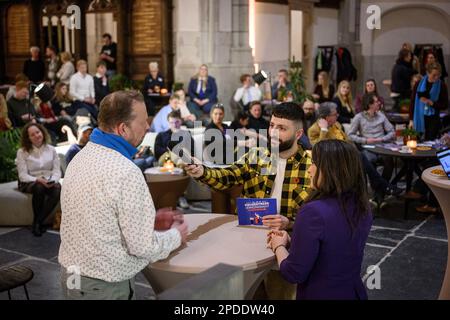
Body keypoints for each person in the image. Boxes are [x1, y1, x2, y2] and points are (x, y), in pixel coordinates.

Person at [59, 90, 188, 300]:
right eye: (143, 121)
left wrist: (149, 221)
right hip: (102, 285)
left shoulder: (79, 158)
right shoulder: (126, 171)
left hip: (72, 275)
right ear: (122, 129)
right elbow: (142, 246)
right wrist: (176, 236)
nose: (148, 126)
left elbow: (96, 216)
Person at [185, 102, 312, 299]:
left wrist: (291, 223)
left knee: (281, 295)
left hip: (287, 248)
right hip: (249, 242)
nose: (274, 133)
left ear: (298, 134)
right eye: (272, 126)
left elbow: (317, 216)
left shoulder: (311, 166)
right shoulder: (257, 155)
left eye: (282, 128)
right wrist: (202, 171)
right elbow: (228, 175)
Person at [267, 139, 372, 300]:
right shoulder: (362, 206)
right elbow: (334, 249)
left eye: (314, 163)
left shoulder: (313, 212)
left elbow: (293, 272)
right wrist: (292, 240)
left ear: (331, 170)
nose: (309, 170)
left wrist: (278, 246)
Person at [308, 102, 401, 203]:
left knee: (361, 164)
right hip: (333, 159)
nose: (338, 115)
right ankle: (381, 187)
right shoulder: (314, 130)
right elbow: (318, 149)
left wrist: (352, 150)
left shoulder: (336, 124)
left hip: (346, 154)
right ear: (327, 117)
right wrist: (324, 129)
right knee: (360, 158)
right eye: (335, 114)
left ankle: (367, 197)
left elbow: (347, 140)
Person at [15, 123, 61, 236]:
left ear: (42, 132)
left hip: (48, 179)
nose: (36, 135)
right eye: (32, 134)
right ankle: (37, 223)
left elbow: (56, 171)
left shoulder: (52, 149)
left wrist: (53, 180)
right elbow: (22, 175)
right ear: (28, 138)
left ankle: (38, 222)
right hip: (29, 181)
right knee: (39, 187)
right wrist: (38, 180)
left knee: (57, 189)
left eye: (38, 132)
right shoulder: (22, 152)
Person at [348, 93, 395, 182]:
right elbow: (350, 135)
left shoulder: (381, 115)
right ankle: (381, 188)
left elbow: (392, 131)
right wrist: (365, 140)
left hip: (382, 146)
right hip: (368, 147)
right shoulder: (359, 117)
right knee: (369, 161)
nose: (379, 103)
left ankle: (381, 190)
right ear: (370, 105)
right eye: (376, 102)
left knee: (389, 161)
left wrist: (382, 139)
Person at [410, 62, 448, 141]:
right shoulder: (418, 84)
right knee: (417, 143)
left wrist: (432, 103)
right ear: (427, 73)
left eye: (438, 75)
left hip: (433, 119)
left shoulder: (442, 85)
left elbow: (445, 105)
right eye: (434, 75)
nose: (436, 77)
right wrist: (411, 120)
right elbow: (413, 102)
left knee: (430, 143)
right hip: (419, 117)